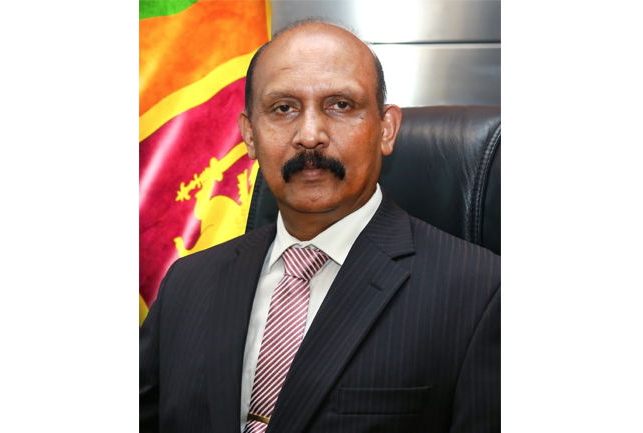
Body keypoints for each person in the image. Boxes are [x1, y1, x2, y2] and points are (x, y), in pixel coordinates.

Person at [140, 19, 500, 433]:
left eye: (341, 105)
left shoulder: (481, 294)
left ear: (386, 129)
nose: (309, 135)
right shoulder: (188, 282)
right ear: (249, 135)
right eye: (283, 108)